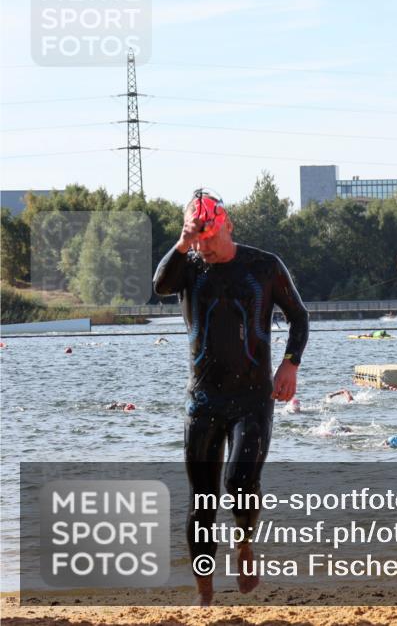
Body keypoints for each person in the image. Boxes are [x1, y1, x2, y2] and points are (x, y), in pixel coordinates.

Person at [153, 189, 309, 607]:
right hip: (203, 401)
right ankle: (204, 594)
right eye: (197, 237)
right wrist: (183, 243)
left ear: (228, 225)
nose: (205, 245)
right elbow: (160, 285)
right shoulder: (186, 266)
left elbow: (299, 317)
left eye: (210, 235)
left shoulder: (263, 266)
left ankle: (243, 545)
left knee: (240, 481)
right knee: (202, 499)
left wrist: (290, 364)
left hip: (252, 398)